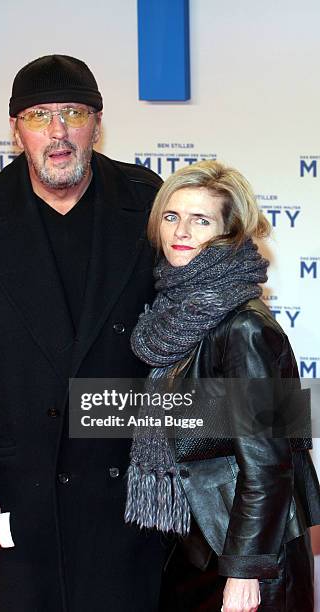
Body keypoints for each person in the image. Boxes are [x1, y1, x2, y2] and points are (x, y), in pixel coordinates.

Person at [0, 55, 167, 612]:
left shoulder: (151, 203)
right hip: (13, 498)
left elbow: (192, 339)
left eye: (73, 113)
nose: (57, 131)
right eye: (37, 116)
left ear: (97, 123)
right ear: (15, 130)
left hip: (131, 496)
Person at [124, 160, 320, 611]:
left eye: (201, 220)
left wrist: (245, 570)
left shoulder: (245, 327)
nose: (182, 230)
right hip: (198, 548)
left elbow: (269, 463)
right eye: (172, 216)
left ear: (228, 232)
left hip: (249, 556)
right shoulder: (171, 314)